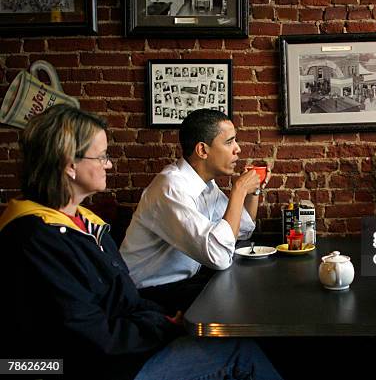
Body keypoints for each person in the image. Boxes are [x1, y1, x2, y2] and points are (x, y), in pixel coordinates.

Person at [0, 105, 282, 380]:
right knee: (238, 349)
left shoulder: (85, 221)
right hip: (103, 365)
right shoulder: (36, 238)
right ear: (70, 165)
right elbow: (86, 336)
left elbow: (240, 230)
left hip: (136, 327)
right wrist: (165, 326)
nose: (109, 163)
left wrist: (164, 319)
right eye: (101, 157)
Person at [121, 109, 269, 313]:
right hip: (146, 296)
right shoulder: (171, 188)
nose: (238, 149)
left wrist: (253, 191)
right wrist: (239, 190)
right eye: (229, 142)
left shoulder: (206, 185)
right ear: (202, 150)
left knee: (255, 289)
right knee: (247, 301)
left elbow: (241, 230)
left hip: (183, 284)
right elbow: (219, 256)